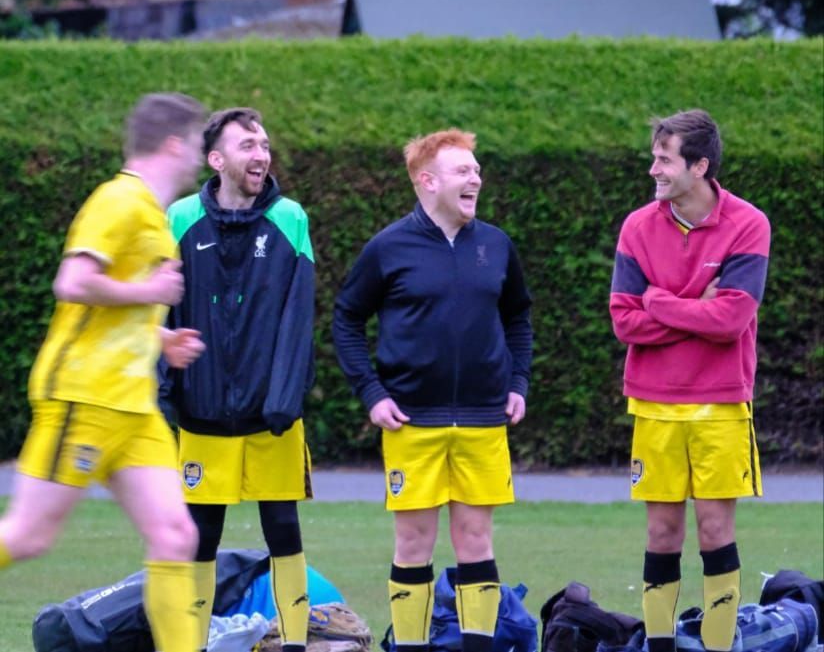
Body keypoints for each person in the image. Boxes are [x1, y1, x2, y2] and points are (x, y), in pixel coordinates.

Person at [0, 92, 208, 652]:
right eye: (196, 142)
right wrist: (150, 291)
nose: (199, 155)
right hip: (85, 398)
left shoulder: (153, 214)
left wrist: (162, 339)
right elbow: (72, 282)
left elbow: (116, 308)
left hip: (134, 408)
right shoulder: (118, 200)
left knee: (175, 535)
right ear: (173, 144)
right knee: (28, 535)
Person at [333, 129, 533, 652]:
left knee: (476, 542)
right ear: (427, 181)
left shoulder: (496, 245)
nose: (476, 178)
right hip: (411, 422)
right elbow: (347, 318)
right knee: (413, 543)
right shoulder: (387, 247)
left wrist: (518, 381)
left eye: (477, 170)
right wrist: (372, 393)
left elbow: (518, 317)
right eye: (463, 170)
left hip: (484, 421)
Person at [609, 110, 771, 652]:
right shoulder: (637, 227)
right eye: (654, 157)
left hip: (721, 406)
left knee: (716, 534)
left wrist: (658, 301)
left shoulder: (749, 224)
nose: (653, 169)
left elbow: (730, 320)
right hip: (653, 405)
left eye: (664, 159)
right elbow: (624, 321)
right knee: (661, 534)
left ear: (699, 166)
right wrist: (689, 306)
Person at [158, 107, 315, 652]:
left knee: (284, 531)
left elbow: (299, 315)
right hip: (201, 416)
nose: (262, 154)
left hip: (273, 419)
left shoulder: (291, 218)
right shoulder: (179, 217)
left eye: (265, 145)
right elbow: (161, 312)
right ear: (216, 159)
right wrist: (164, 398)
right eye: (248, 145)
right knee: (199, 537)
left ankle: (295, 644)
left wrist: (285, 397)